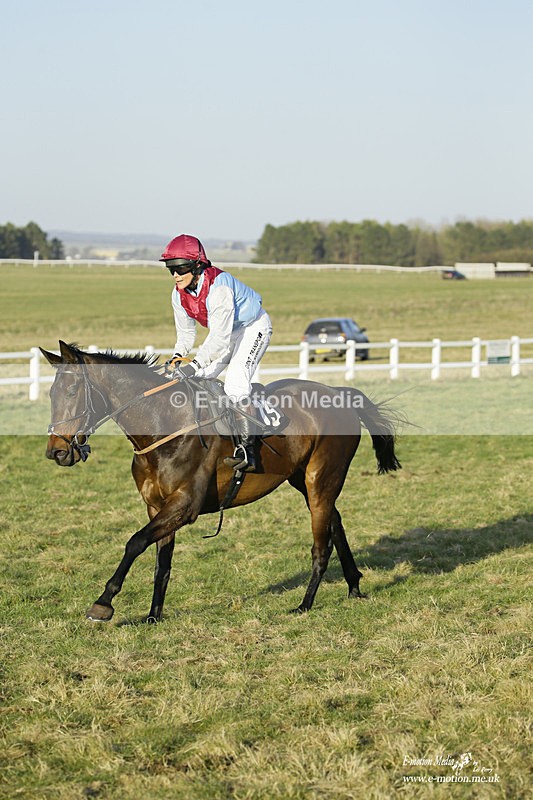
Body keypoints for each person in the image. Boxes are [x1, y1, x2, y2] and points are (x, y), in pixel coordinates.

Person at [160, 234, 272, 473]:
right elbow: (186, 334)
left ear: (197, 266)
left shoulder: (219, 288)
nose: (176, 275)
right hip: (228, 331)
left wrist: (194, 364)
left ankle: (247, 451)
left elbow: (219, 339)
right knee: (202, 377)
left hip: (254, 327)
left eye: (181, 268)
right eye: (171, 269)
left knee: (235, 384)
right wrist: (178, 357)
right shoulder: (178, 294)